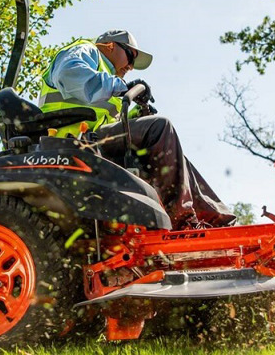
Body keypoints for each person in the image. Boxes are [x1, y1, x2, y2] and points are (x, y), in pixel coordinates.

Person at [38, 29, 235, 229]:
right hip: (69, 139)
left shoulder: (107, 79)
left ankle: (219, 222)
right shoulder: (85, 51)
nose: (131, 66)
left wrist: (139, 116)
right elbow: (71, 76)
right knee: (160, 127)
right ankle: (182, 222)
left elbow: (107, 120)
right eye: (130, 56)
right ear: (110, 46)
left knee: (172, 153)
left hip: (93, 138)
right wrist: (122, 87)